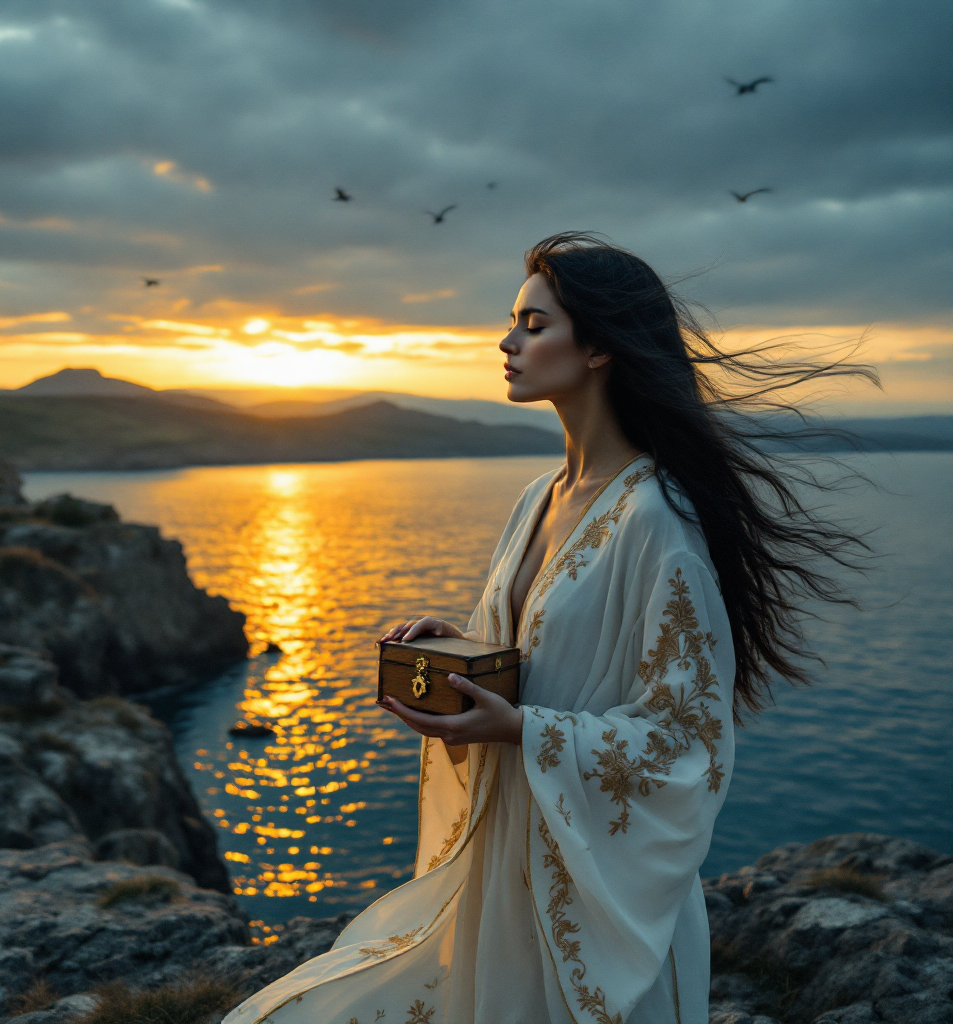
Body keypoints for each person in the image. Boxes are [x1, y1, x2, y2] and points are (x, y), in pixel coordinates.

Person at [223, 233, 874, 1024]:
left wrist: (521, 727)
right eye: (513, 322)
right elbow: (545, 656)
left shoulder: (657, 520)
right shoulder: (538, 498)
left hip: (585, 893)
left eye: (534, 324)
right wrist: (465, 648)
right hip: (504, 861)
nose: (507, 341)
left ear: (597, 346)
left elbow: (687, 740)